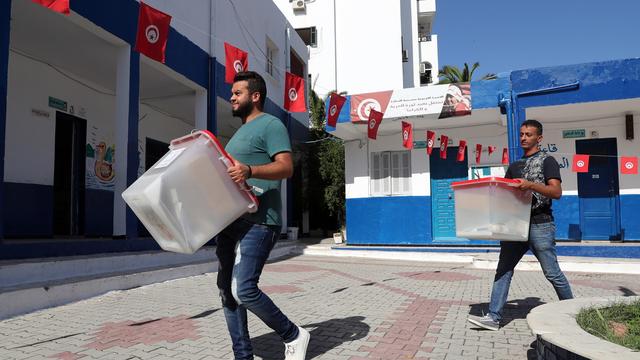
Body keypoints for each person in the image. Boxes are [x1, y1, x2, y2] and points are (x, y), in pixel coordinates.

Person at [216, 71, 310, 359]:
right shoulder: (240, 134)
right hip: (231, 221)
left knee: (243, 289)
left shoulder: (271, 125)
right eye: (232, 93)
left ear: (255, 96)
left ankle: (293, 334)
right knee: (227, 293)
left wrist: (250, 170)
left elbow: (286, 167)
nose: (232, 97)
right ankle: (242, 356)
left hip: (259, 223)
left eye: (238, 92)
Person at [467, 119, 573, 331]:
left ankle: (573, 311)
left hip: (540, 223)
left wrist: (531, 185)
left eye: (529, 134)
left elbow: (556, 192)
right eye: (522, 134)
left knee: (552, 273)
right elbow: (506, 196)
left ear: (539, 138)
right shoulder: (514, 166)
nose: (524, 138)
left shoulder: (547, 161)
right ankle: (493, 317)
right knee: (503, 270)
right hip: (514, 225)